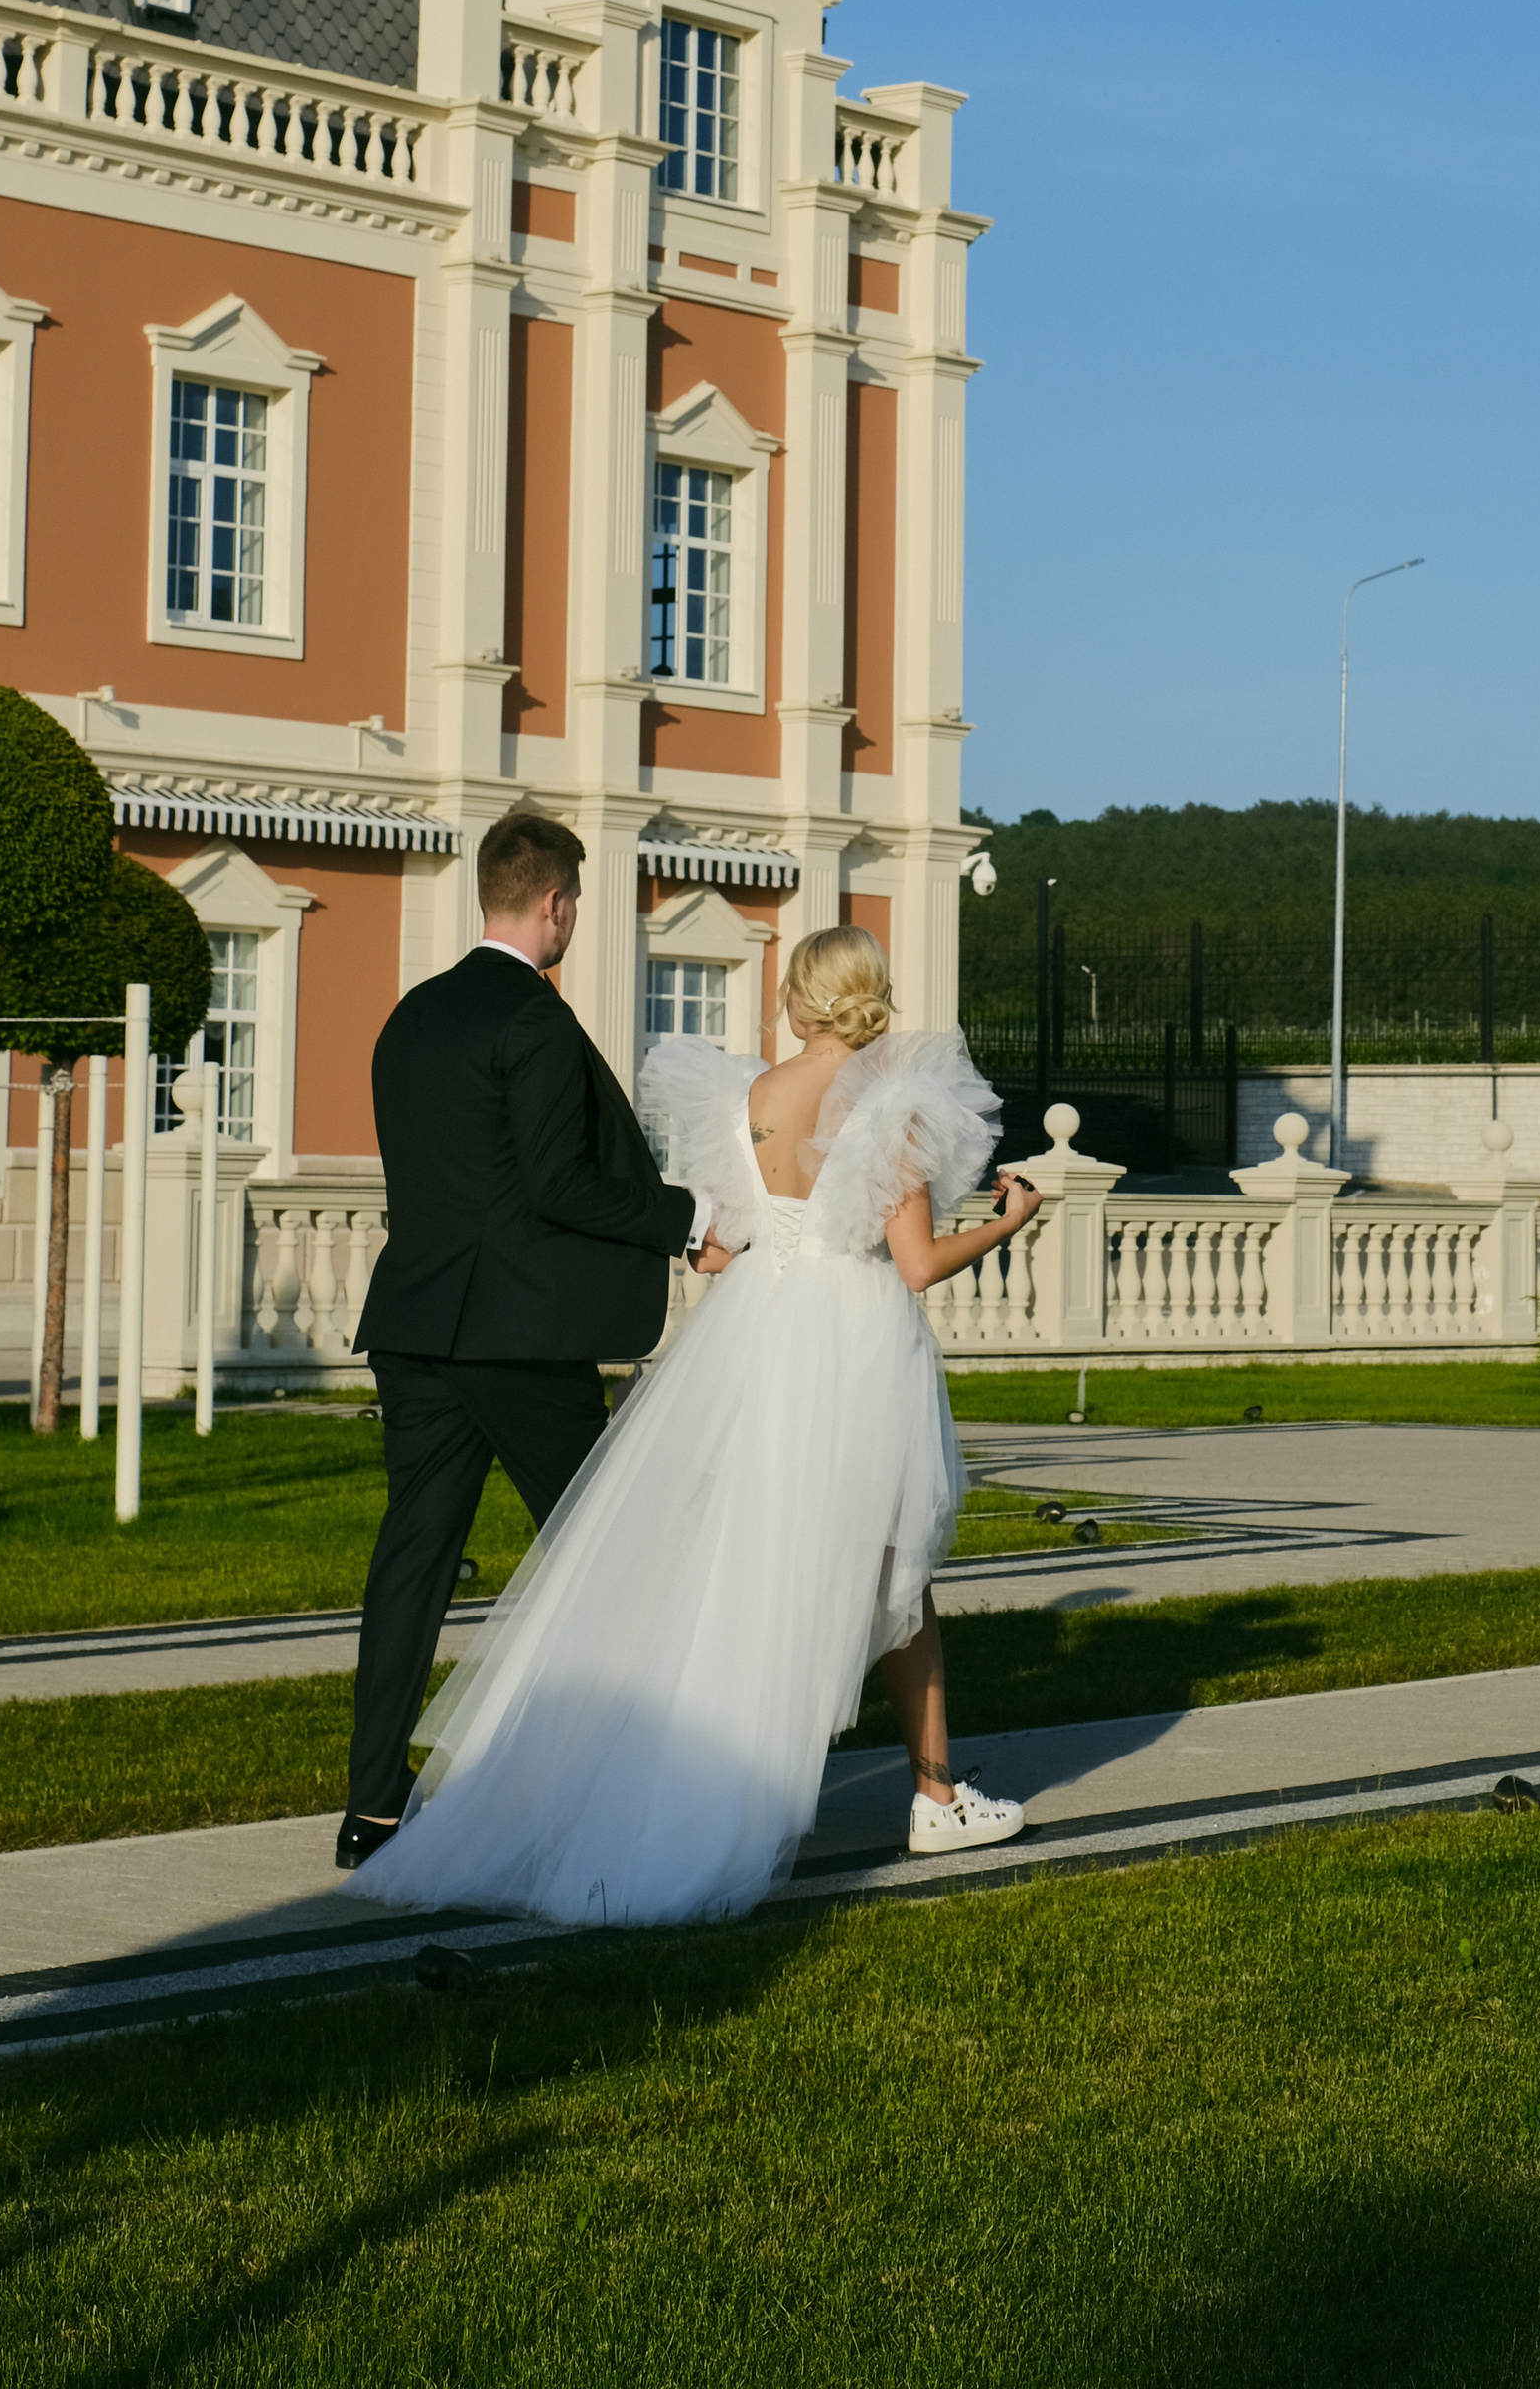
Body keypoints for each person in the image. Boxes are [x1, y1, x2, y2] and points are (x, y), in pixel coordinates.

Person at [353, 923, 1043, 1927]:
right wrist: (1006, 1222)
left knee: (743, 1562)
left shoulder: (746, 1100)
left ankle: (721, 1778)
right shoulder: (892, 1105)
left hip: (756, 1330)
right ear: (870, 995)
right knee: (893, 1564)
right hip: (849, 1341)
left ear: (799, 996)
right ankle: (935, 1799)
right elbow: (917, 1264)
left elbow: (722, 1245)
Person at [338, 809, 738, 1873]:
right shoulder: (537, 1022)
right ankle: (632, 1777)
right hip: (519, 1338)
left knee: (411, 1562)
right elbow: (560, 1187)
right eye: (574, 905)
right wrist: (690, 1218)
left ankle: (371, 1809)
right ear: (555, 902)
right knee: (612, 1548)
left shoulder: (411, 1017)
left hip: (416, 1325)